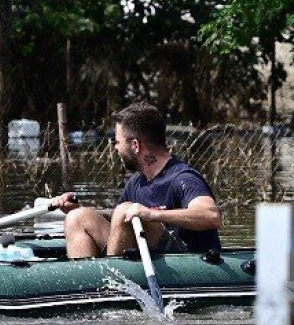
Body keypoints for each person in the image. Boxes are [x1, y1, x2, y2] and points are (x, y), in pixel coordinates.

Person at [53, 102, 221, 259]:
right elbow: (120, 222)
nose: (115, 148)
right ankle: (89, 286)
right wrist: (82, 209)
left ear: (135, 145)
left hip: (186, 260)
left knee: (125, 210)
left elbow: (211, 215)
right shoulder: (136, 183)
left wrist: (152, 214)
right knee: (78, 217)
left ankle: (113, 283)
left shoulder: (183, 178)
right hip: (149, 254)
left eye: (117, 142)